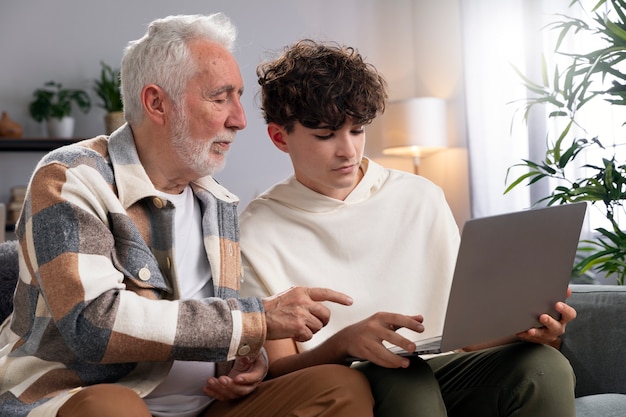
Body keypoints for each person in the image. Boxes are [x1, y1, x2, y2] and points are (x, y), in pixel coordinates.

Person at [0, 16, 376, 417]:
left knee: (341, 386)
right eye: (220, 98)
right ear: (157, 103)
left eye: (239, 97)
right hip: (81, 398)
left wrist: (247, 362)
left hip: (206, 407)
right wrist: (256, 320)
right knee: (113, 408)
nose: (240, 119)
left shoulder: (218, 202)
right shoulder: (71, 178)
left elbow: (219, 329)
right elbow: (94, 325)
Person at [239, 39, 578, 417]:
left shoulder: (420, 196)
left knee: (543, 366)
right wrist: (343, 344)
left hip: (442, 371)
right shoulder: (257, 230)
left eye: (357, 130)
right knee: (405, 376)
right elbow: (278, 373)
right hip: (357, 385)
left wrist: (527, 328)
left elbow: (464, 338)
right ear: (279, 137)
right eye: (325, 135)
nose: (348, 151)